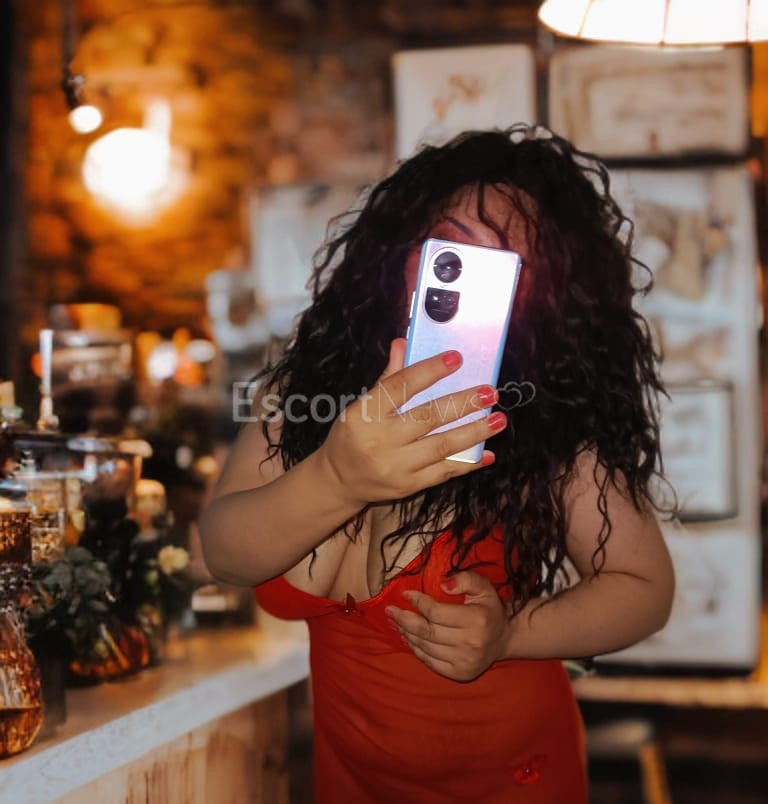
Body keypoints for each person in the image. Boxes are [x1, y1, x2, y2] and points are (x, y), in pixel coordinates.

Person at [199, 125, 676, 803]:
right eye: (452, 248)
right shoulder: (304, 395)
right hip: (352, 785)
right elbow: (224, 552)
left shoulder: (543, 424)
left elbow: (645, 587)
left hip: (512, 784)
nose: (470, 275)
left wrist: (509, 633)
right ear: (402, 254)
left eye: (507, 267)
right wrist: (337, 477)